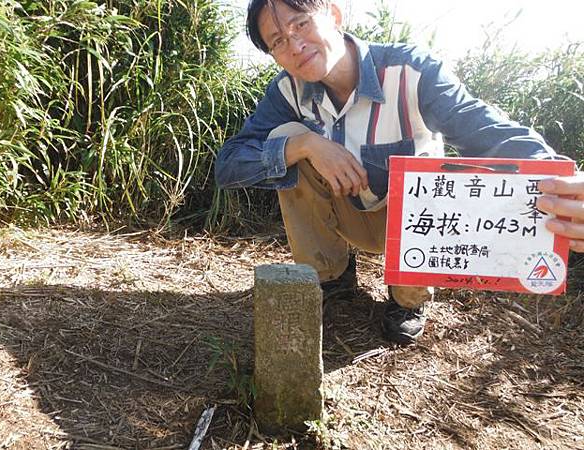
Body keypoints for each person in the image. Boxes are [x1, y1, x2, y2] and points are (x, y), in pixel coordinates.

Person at [215, 0, 584, 344]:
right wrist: (308, 145)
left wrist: (562, 179)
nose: (294, 45)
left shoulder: (410, 70)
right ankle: (330, 276)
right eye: (278, 41)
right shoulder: (287, 92)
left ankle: (408, 298)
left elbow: (485, 132)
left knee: (426, 180)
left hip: (414, 221)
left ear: (335, 15)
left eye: (301, 23)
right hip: (349, 211)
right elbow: (230, 162)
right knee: (287, 144)